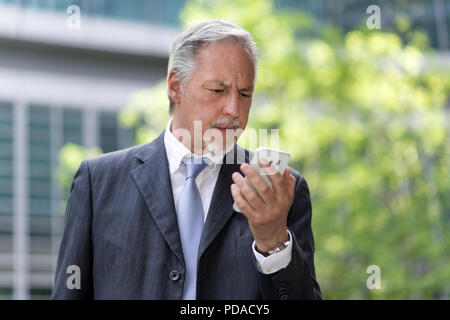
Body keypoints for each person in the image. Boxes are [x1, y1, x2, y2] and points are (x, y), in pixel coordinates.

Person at [51, 19, 321, 300]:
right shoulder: (98, 183)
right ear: (176, 86)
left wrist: (273, 241)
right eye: (218, 90)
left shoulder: (278, 188)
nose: (234, 109)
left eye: (245, 94)